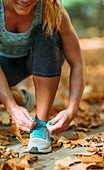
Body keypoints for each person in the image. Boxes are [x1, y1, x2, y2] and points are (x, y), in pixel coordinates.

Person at [0, 0, 85, 153]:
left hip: (36, 58)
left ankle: (40, 125)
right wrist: (12, 107)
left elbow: (77, 63)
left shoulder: (51, 8)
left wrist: (72, 110)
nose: (26, 0)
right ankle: (20, 98)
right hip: (4, 65)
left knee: (47, 32)